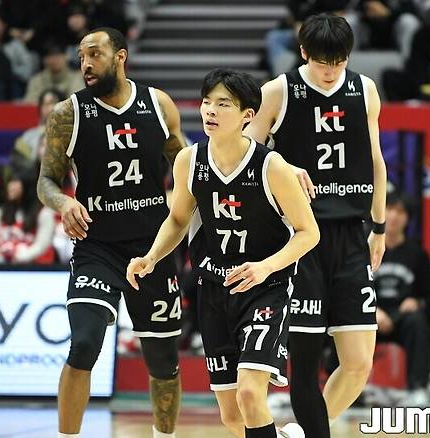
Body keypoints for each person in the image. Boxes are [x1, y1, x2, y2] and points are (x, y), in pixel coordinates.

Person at [127, 68, 318, 438]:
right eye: (206, 102)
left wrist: (265, 268)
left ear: (248, 115)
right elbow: (178, 219)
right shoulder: (189, 161)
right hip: (214, 290)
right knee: (232, 417)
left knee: (250, 394)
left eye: (223, 104)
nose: (210, 110)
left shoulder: (271, 166)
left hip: (265, 289)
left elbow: (309, 232)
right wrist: (151, 257)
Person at [37, 27, 187, 438]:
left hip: (153, 248)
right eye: (81, 57)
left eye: (95, 54)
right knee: (84, 344)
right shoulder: (68, 113)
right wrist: (64, 203)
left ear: (121, 56)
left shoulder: (158, 105)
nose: (85, 64)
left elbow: (187, 167)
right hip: (97, 246)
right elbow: (46, 181)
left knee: (163, 361)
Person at [244, 14, 387, 438]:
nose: (331, 70)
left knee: (358, 363)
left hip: (352, 235)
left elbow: (376, 161)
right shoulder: (279, 90)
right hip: (301, 238)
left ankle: (302, 432)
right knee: (304, 368)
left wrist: (379, 227)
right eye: (324, 62)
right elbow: (245, 155)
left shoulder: (364, 89)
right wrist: (282, 165)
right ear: (304, 52)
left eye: (339, 61)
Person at [374, 192, 430, 406]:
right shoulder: (364, 249)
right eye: (390, 209)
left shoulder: (417, 254)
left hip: (403, 318)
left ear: (408, 219)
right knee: (347, 321)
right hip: (370, 314)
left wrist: (418, 302)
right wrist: (371, 309)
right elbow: (348, 287)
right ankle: (346, 392)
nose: (394, 216)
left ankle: (418, 388)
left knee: (417, 321)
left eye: (401, 212)